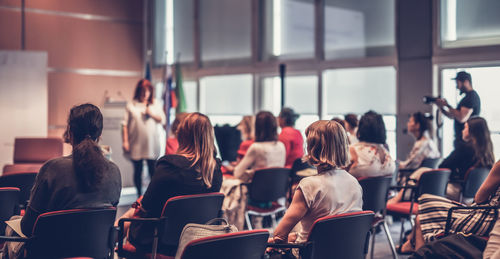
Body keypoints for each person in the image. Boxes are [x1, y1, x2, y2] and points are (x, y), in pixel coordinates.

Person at [5, 103, 122, 259]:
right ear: (100, 135)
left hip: (49, 253)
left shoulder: (51, 169)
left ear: (70, 133)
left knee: (11, 226)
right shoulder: (114, 171)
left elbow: (28, 228)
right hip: (96, 254)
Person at [126, 112, 223, 254]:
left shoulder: (168, 166)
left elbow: (147, 206)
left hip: (159, 241)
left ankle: (102, 251)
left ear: (181, 136)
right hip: (198, 241)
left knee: (128, 215)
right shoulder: (215, 170)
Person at [268, 120, 362, 246]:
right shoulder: (354, 183)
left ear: (313, 148)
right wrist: (296, 236)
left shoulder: (309, 186)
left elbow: (279, 236)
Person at [399, 159, 500, 254]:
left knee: (424, 202)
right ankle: (414, 247)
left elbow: (479, 198)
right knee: (425, 205)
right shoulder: (488, 158)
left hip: (485, 220)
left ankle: (414, 248)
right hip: (494, 221)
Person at [389, 116, 494, 204]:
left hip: (459, 190)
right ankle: (398, 198)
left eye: (465, 128)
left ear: (472, 131)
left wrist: (454, 174)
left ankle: (397, 199)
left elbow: (443, 166)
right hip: (471, 194)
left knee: (421, 174)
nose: (462, 131)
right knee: (422, 171)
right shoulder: (487, 152)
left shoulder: (465, 148)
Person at [122, 79, 166, 196]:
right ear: (139, 91)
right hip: (136, 143)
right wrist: (125, 141)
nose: (145, 94)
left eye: (148, 91)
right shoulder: (131, 104)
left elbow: (163, 119)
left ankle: (152, 195)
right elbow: (124, 124)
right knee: (138, 170)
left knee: (153, 170)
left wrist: (151, 113)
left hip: (151, 143)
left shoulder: (155, 104)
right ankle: (139, 195)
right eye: (143, 91)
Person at [234, 111, 286, 183]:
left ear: (257, 128)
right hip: (277, 191)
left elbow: (237, 173)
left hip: (258, 190)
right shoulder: (281, 146)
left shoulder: (256, 148)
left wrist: (251, 174)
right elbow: (274, 171)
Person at [435, 71, 480, 148]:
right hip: (461, 140)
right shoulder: (466, 98)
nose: (457, 86)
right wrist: (441, 107)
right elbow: (453, 116)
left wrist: (447, 105)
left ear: (466, 82)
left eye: (458, 83)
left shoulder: (471, 97)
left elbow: (462, 118)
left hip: (466, 142)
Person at [348, 111, 395, 179]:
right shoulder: (387, 155)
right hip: (384, 190)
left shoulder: (351, 150)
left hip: (356, 189)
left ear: (360, 128)